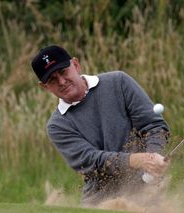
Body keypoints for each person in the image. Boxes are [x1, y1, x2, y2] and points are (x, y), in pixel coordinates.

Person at [31, 45, 170, 206]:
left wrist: (153, 157)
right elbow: (92, 161)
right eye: (52, 80)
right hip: (100, 203)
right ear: (44, 87)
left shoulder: (118, 82)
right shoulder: (57, 125)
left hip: (148, 191)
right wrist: (136, 160)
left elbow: (154, 126)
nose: (61, 82)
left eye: (63, 72)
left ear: (75, 65)